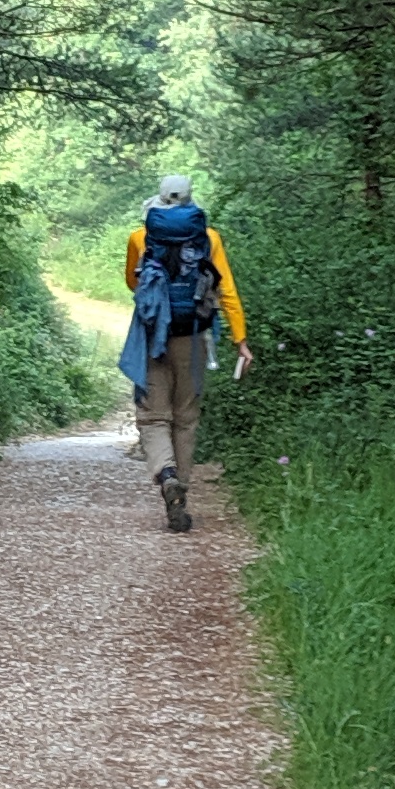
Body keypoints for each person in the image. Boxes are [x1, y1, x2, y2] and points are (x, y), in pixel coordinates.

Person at [117, 176, 250, 532]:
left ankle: (167, 474)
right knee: (186, 417)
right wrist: (240, 339)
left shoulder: (141, 237)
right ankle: (182, 492)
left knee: (153, 416)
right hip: (194, 335)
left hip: (152, 336)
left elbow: (132, 281)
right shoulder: (210, 238)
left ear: (158, 200)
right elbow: (226, 290)